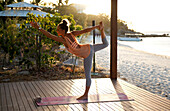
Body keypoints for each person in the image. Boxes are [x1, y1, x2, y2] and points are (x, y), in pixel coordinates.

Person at [30, 19, 108, 100]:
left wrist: (39, 28)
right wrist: (96, 27)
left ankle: (85, 95)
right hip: (89, 48)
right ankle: (101, 30)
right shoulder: (72, 34)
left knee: (88, 75)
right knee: (106, 44)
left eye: (58, 30)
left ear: (63, 30)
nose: (57, 31)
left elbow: (50, 36)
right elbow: (84, 30)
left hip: (87, 53)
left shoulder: (64, 39)